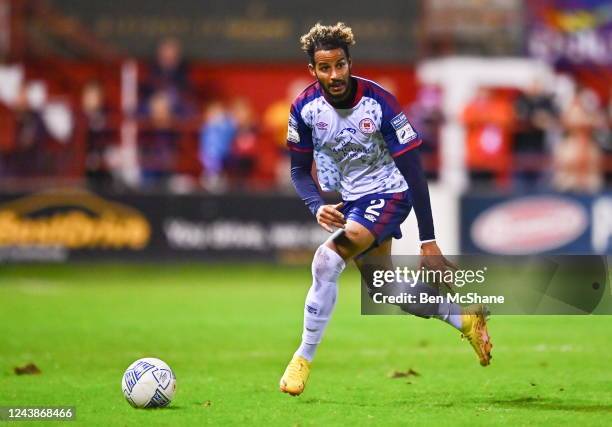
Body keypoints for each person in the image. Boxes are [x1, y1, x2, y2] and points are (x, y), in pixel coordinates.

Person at [280, 22, 492, 397]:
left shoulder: (379, 102)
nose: (334, 75)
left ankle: (303, 358)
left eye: (340, 65)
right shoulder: (304, 109)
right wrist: (316, 205)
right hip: (354, 200)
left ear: (349, 62)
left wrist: (428, 241)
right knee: (385, 287)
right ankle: (466, 318)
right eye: (325, 68)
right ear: (312, 71)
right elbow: (298, 170)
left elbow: (414, 170)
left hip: (390, 194)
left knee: (326, 261)